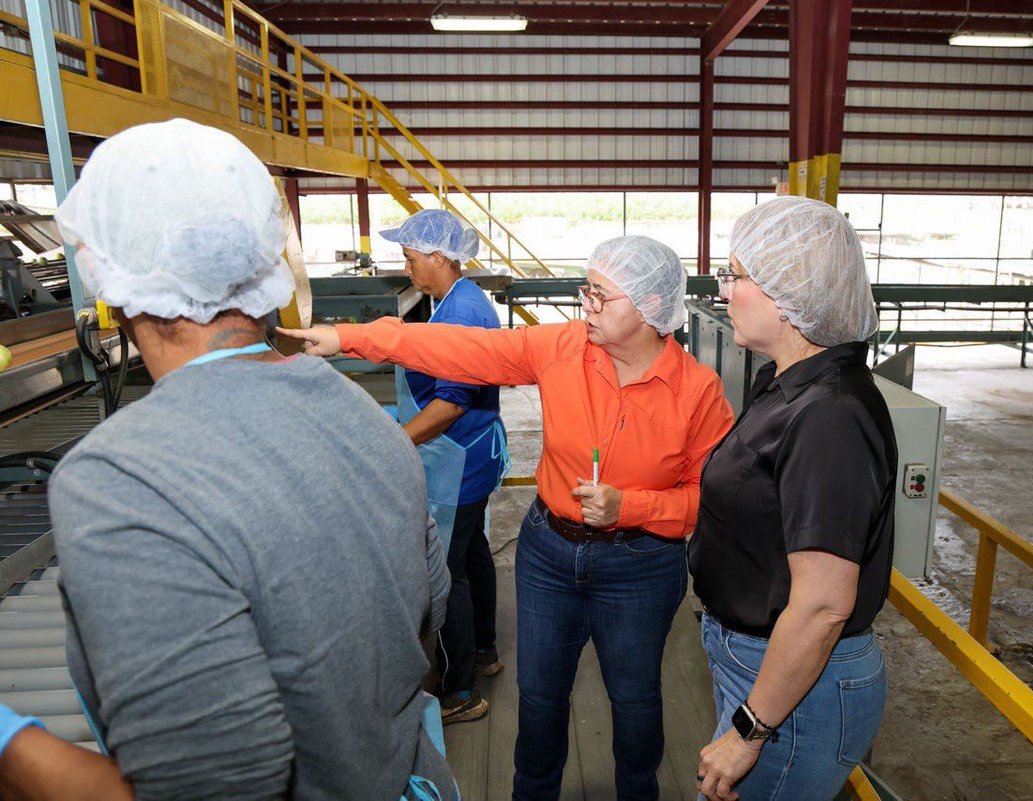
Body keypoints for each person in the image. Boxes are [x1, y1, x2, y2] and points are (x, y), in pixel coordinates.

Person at [0, 118, 455, 801]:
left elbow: (214, 784)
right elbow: (425, 619)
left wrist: (9, 741)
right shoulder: (363, 414)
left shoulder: (119, 479)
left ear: (109, 276)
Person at [279, 235, 734, 801]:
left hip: (641, 566)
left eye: (601, 297)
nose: (584, 307)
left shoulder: (698, 392)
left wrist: (631, 507)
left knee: (636, 699)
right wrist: (348, 337)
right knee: (540, 698)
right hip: (549, 554)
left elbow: (706, 501)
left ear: (651, 310)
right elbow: (458, 349)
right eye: (584, 291)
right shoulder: (561, 348)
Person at [688, 197, 896, 801]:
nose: (724, 293)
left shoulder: (829, 415)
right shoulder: (785, 382)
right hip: (762, 668)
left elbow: (824, 605)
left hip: (794, 692)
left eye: (736, 275)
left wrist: (749, 730)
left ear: (790, 292)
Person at [381, 208, 508, 724]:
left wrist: (395, 440)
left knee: (448, 572)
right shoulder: (458, 300)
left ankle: (459, 691)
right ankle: (484, 650)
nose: (406, 267)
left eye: (411, 258)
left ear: (438, 256)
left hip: (455, 459)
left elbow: (450, 404)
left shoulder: (460, 315)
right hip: (473, 454)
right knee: (474, 552)